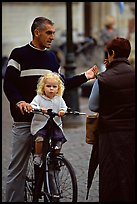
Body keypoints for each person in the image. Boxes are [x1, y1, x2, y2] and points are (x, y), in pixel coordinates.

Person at [3, 16, 98, 202]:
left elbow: (61, 85)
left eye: (53, 33)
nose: (52, 37)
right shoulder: (19, 54)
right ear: (36, 32)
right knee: (17, 170)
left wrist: (85, 76)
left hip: (48, 122)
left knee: (52, 164)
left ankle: (52, 196)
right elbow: (9, 84)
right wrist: (19, 102)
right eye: (49, 33)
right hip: (24, 121)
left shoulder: (52, 58)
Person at [88, 37, 135, 202]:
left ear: (112, 53)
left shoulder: (103, 79)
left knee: (111, 177)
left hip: (110, 135)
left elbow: (93, 106)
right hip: (132, 133)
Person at [30, 72, 68, 165]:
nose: (51, 89)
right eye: (48, 86)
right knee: (39, 139)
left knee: (59, 140)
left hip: (55, 124)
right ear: (43, 87)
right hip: (41, 124)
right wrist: (39, 109)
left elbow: (64, 107)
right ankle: (38, 155)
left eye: (54, 86)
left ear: (58, 88)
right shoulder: (39, 98)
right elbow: (32, 106)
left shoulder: (59, 98)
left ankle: (56, 157)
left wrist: (62, 111)